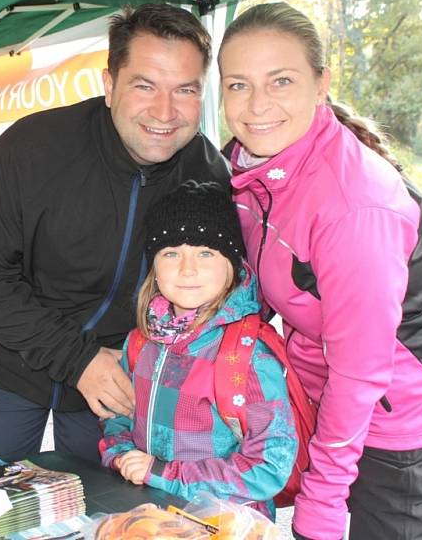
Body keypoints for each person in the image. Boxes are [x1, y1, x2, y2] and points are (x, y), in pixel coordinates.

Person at [0, 3, 230, 463]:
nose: (165, 111)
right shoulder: (33, 147)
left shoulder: (208, 175)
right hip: (6, 365)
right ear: (109, 84)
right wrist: (76, 359)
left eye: (185, 90)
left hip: (120, 380)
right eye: (144, 85)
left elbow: (218, 294)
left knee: (105, 519)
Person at [219, 2, 422, 540]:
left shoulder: (354, 204)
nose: (257, 104)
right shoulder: (255, 174)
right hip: (322, 408)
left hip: (397, 428)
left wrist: (322, 501)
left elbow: (361, 372)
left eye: (281, 80)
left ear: (322, 83)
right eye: (238, 85)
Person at [99, 181, 297, 518]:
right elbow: (120, 415)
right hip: (153, 517)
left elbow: (269, 467)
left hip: (225, 523)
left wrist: (163, 474)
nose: (187, 269)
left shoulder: (248, 356)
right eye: (171, 252)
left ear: (232, 264)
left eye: (205, 252)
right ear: (154, 265)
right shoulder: (141, 340)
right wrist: (120, 454)